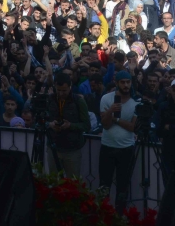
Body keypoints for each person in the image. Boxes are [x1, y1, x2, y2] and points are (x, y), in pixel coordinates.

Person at [99, 71, 138, 212]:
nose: (126, 85)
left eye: (128, 82)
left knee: (123, 187)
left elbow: (133, 127)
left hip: (126, 149)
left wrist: (116, 119)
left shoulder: (136, 101)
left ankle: (119, 216)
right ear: (117, 83)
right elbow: (106, 125)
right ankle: (103, 215)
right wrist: (110, 111)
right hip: (107, 147)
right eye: (123, 82)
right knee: (104, 185)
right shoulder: (106, 99)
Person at [43, 72, 91, 178]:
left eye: (64, 90)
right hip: (53, 147)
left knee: (72, 183)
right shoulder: (49, 100)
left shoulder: (79, 101)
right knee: (53, 181)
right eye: (58, 90)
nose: (61, 93)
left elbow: (87, 125)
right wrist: (50, 124)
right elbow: (40, 122)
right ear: (55, 86)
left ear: (70, 87)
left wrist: (70, 126)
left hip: (72, 150)